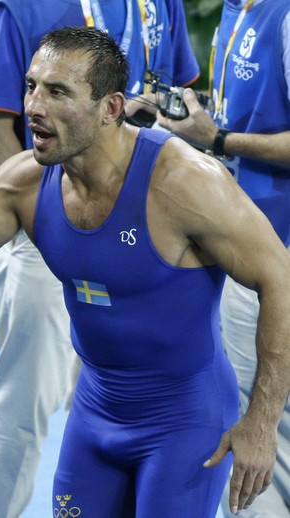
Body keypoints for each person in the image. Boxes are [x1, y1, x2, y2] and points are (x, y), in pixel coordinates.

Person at [0, 27, 290, 517]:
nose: (34, 107)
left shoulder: (185, 183)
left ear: (110, 108)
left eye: (57, 92)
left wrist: (262, 419)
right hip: (96, 415)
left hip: (184, 424)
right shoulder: (25, 182)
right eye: (31, 87)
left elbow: (281, 278)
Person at [0, 1, 200, 515]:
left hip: (133, 234)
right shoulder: (22, 9)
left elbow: (179, 89)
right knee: (20, 408)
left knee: (108, 397)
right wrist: (41, 218)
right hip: (45, 229)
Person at [128, 0, 290, 515]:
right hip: (247, 239)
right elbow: (244, 110)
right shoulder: (235, 9)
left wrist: (218, 139)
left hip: (274, 250)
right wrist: (180, 110)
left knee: (251, 422)